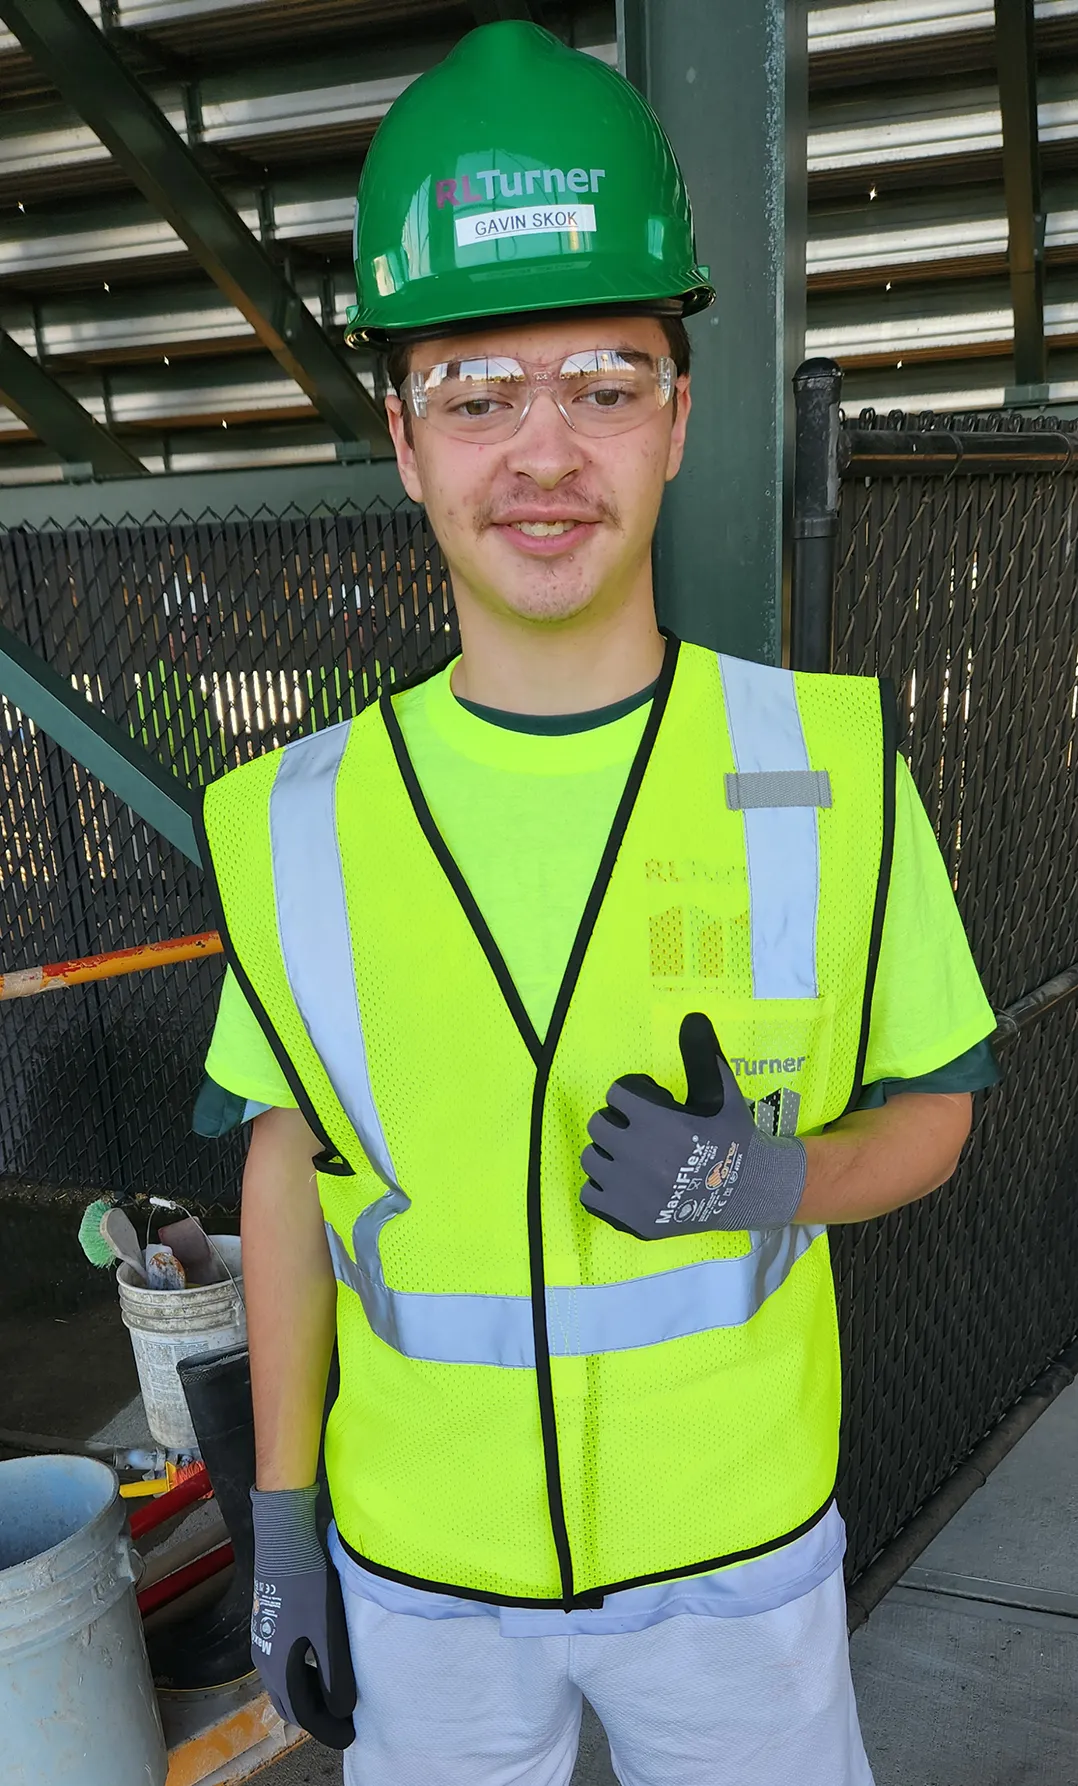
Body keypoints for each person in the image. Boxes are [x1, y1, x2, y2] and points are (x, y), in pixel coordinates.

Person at [194, 22, 999, 1786]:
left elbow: (938, 1110)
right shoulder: (295, 821)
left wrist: (771, 1177)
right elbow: (284, 1167)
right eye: (478, 393)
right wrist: (280, 1517)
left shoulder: (828, 765)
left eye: (601, 382)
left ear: (677, 414)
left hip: (736, 1575)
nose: (540, 450)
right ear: (404, 439)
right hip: (423, 1585)